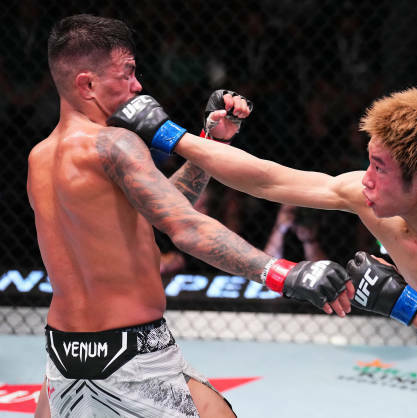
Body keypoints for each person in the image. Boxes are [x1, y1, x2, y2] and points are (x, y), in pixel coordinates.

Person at [113, 86, 417, 416]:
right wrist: (171, 135)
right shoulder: (373, 201)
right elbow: (268, 179)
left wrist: (402, 303)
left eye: (379, 167)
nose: (366, 179)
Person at [28, 14, 354, 417]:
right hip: (131, 356)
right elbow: (185, 226)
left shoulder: (40, 157)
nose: (137, 86)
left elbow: (159, 209)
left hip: (63, 353)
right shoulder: (115, 143)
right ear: (87, 85)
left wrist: (210, 143)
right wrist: (283, 273)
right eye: (126, 74)